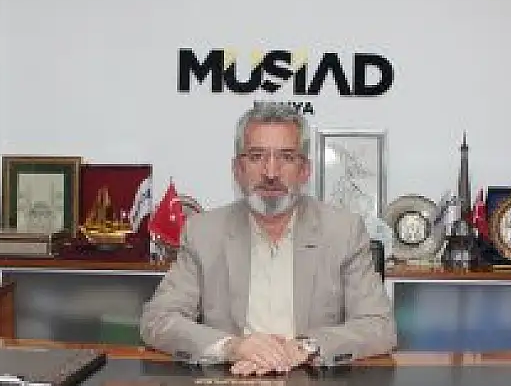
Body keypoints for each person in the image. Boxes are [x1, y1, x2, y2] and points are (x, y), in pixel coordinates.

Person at [140, 104, 396, 376]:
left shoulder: (343, 231)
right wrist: (231, 347)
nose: (271, 173)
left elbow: (379, 325)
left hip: (310, 375)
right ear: (237, 169)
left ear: (305, 170)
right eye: (256, 156)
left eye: (286, 157)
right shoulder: (204, 232)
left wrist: (306, 347)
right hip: (232, 375)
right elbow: (158, 320)